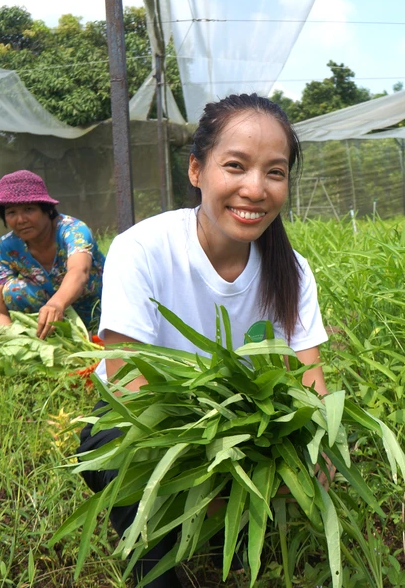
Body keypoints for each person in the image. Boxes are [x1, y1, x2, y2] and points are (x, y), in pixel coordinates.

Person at [77, 94, 329, 587]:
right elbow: (127, 381)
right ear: (196, 170)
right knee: (112, 447)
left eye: (274, 172)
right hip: (148, 426)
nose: (254, 189)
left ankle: (225, 527)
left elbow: (310, 379)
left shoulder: (293, 271)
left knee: (241, 550)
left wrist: (316, 455)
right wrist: (203, 478)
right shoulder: (142, 249)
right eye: (235, 166)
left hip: (239, 428)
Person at [0, 170, 105, 338]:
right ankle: (51, 334)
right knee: (12, 291)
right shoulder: (7, 247)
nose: (20, 219)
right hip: (52, 320)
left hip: (100, 311)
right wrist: (15, 340)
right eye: (11, 212)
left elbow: (80, 272)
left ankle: (91, 331)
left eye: (29, 209)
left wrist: (56, 304)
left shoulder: (73, 230)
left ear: (47, 210)